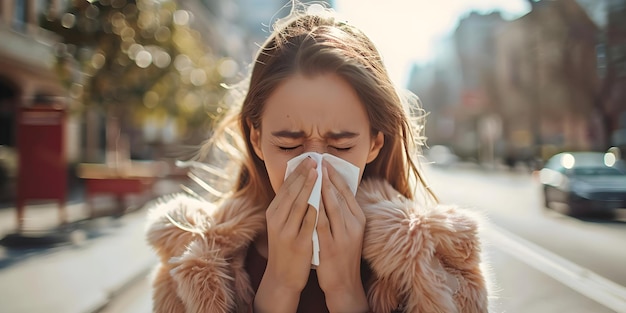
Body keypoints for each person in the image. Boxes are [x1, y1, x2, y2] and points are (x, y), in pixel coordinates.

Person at [146, 2, 490, 312]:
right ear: (257, 138)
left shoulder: (439, 267)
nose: (314, 168)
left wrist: (345, 292)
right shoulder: (192, 263)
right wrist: (278, 287)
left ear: (375, 143)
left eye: (340, 147)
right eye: (288, 146)